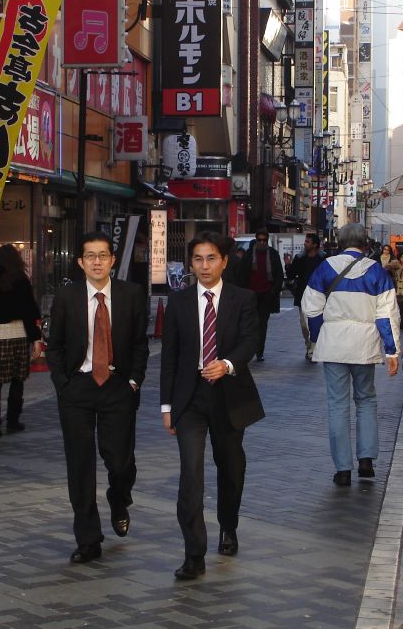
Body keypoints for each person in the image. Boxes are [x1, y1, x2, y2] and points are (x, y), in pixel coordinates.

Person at [160, 231, 263, 580]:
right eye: (198, 259)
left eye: (211, 258)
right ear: (191, 263)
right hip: (190, 400)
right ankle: (194, 554)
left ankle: (228, 526)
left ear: (224, 261)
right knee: (191, 474)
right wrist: (166, 406)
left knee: (230, 468)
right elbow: (169, 356)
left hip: (230, 396)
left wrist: (229, 363)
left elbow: (251, 340)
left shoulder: (243, 299)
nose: (205, 266)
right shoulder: (179, 302)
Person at [45, 232, 149, 564]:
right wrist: (62, 383)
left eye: (103, 255)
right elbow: (55, 345)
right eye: (90, 256)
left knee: (119, 461)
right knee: (80, 465)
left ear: (112, 260)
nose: (96, 262)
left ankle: (119, 498)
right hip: (77, 387)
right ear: (80, 262)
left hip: (117, 387)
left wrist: (133, 380)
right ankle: (88, 539)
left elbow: (139, 343)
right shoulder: (66, 296)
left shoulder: (131, 294)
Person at [301, 223, 400, 484]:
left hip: (333, 345)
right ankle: (366, 460)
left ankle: (342, 469)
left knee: (337, 404)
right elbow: (387, 315)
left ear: (340, 241)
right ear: (365, 243)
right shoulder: (376, 271)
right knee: (366, 400)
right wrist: (392, 351)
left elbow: (310, 308)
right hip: (364, 346)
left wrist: (317, 337)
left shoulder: (325, 268)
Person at [0, 245, 43, 438]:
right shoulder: (22, 281)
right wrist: (36, 340)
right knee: (17, 380)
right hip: (18, 334)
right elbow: (30, 312)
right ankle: (13, 421)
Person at [234, 229, 283, 361]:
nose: (262, 242)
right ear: (256, 240)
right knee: (249, 324)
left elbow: (279, 274)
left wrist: (273, 291)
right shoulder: (249, 255)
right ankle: (249, 348)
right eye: (259, 240)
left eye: (264, 240)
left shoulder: (273, 254)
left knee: (262, 324)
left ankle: (259, 351)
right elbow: (242, 275)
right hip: (251, 295)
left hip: (266, 294)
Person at [285, 233, 327, 361]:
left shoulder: (324, 259)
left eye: (307, 242)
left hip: (320, 296)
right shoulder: (300, 258)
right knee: (304, 325)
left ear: (315, 244)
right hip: (303, 296)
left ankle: (312, 350)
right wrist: (287, 264)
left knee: (317, 324)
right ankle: (309, 345)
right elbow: (292, 274)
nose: (305, 243)